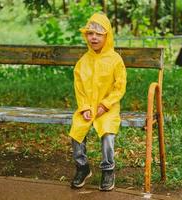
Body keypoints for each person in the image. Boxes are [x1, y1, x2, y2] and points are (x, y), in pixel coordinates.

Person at [69, 13, 127, 191]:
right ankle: (82, 167)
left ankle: (108, 169)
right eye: (90, 33)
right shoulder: (82, 62)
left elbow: (120, 86)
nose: (93, 37)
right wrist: (85, 107)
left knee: (108, 134)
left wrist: (105, 105)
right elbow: (79, 88)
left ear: (107, 36)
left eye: (98, 34)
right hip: (87, 107)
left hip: (107, 108)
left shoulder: (115, 59)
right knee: (76, 132)